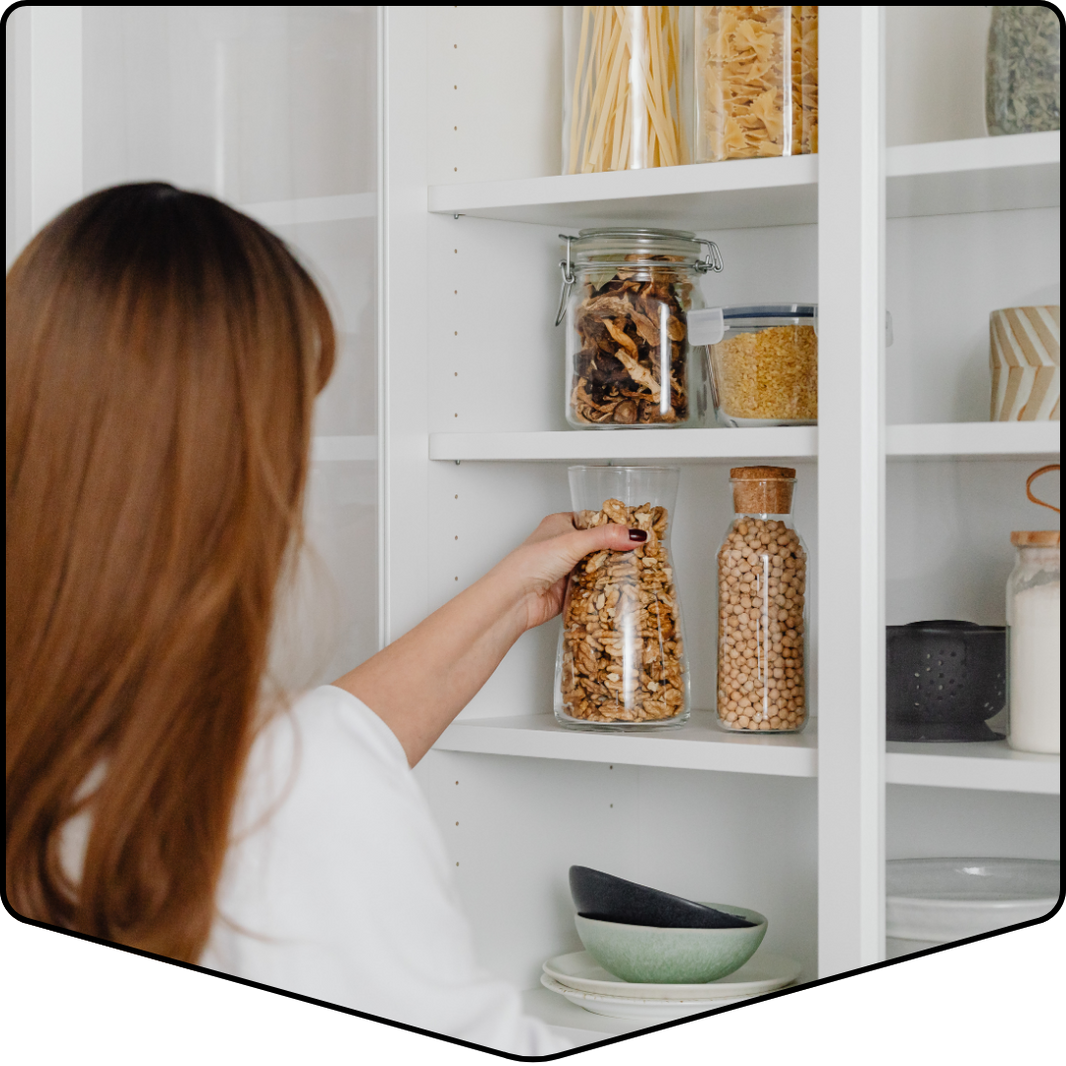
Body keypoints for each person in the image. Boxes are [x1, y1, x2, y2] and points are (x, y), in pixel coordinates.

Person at [6, 183, 647, 1055]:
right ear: (234, 459)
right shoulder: (294, 798)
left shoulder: (55, 729)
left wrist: (510, 596)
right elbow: (291, 778)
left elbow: (317, 742)